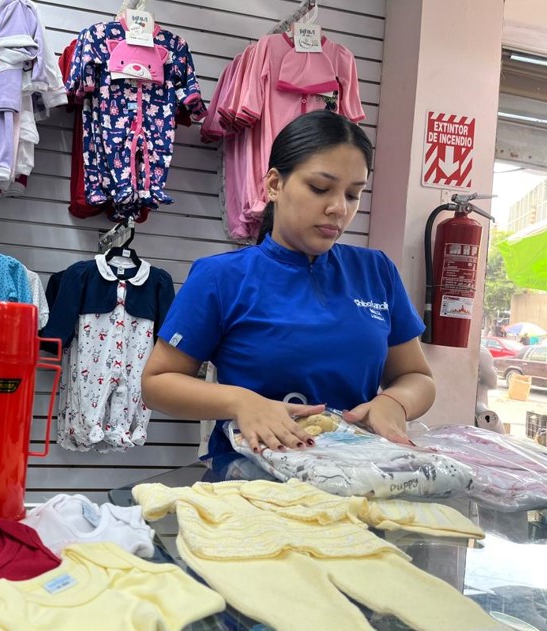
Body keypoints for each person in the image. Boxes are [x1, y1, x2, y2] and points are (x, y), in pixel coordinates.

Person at [142, 110, 436, 458]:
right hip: (252, 484)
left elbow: (418, 377)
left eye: (354, 195)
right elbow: (157, 384)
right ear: (274, 184)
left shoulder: (376, 271)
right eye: (320, 188)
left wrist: (394, 402)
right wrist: (241, 402)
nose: (339, 208)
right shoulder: (221, 277)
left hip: (358, 478)